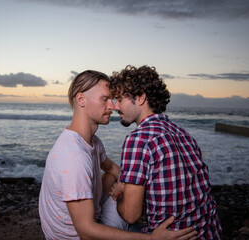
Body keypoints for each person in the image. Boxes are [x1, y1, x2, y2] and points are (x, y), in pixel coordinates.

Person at [38, 70, 197, 240]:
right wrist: (151, 238)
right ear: (81, 99)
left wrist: (124, 186)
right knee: (132, 207)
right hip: (79, 236)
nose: (113, 106)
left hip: (89, 221)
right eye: (105, 99)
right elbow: (85, 232)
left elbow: (113, 169)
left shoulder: (93, 142)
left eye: (114, 99)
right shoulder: (73, 156)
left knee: (110, 178)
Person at [109, 65, 222, 239]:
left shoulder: (138, 139)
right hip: (210, 232)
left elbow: (131, 214)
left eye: (119, 99)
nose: (115, 107)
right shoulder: (182, 133)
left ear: (140, 98)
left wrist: (119, 195)